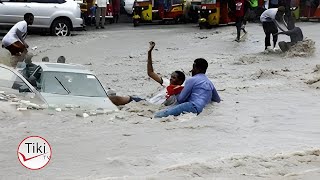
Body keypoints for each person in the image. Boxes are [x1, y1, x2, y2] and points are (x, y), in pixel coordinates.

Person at [108, 41, 186, 106]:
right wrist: (149, 53)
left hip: (149, 105)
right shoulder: (167, 83)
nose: (171, 79)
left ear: (180, 81)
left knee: (117, 99)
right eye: (171, 77)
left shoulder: (181, 91)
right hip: (145, 101)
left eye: (174, 78)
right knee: (117, 98)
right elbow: (150, 73)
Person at [154, 58, 221, 118]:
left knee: (158, 115)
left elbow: (181, 99)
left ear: (197, 69)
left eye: (193, 68)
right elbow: (217, 100)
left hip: (192, 106)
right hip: (202, 110)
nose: (191, 70)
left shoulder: (191, 80)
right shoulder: (209, 83)